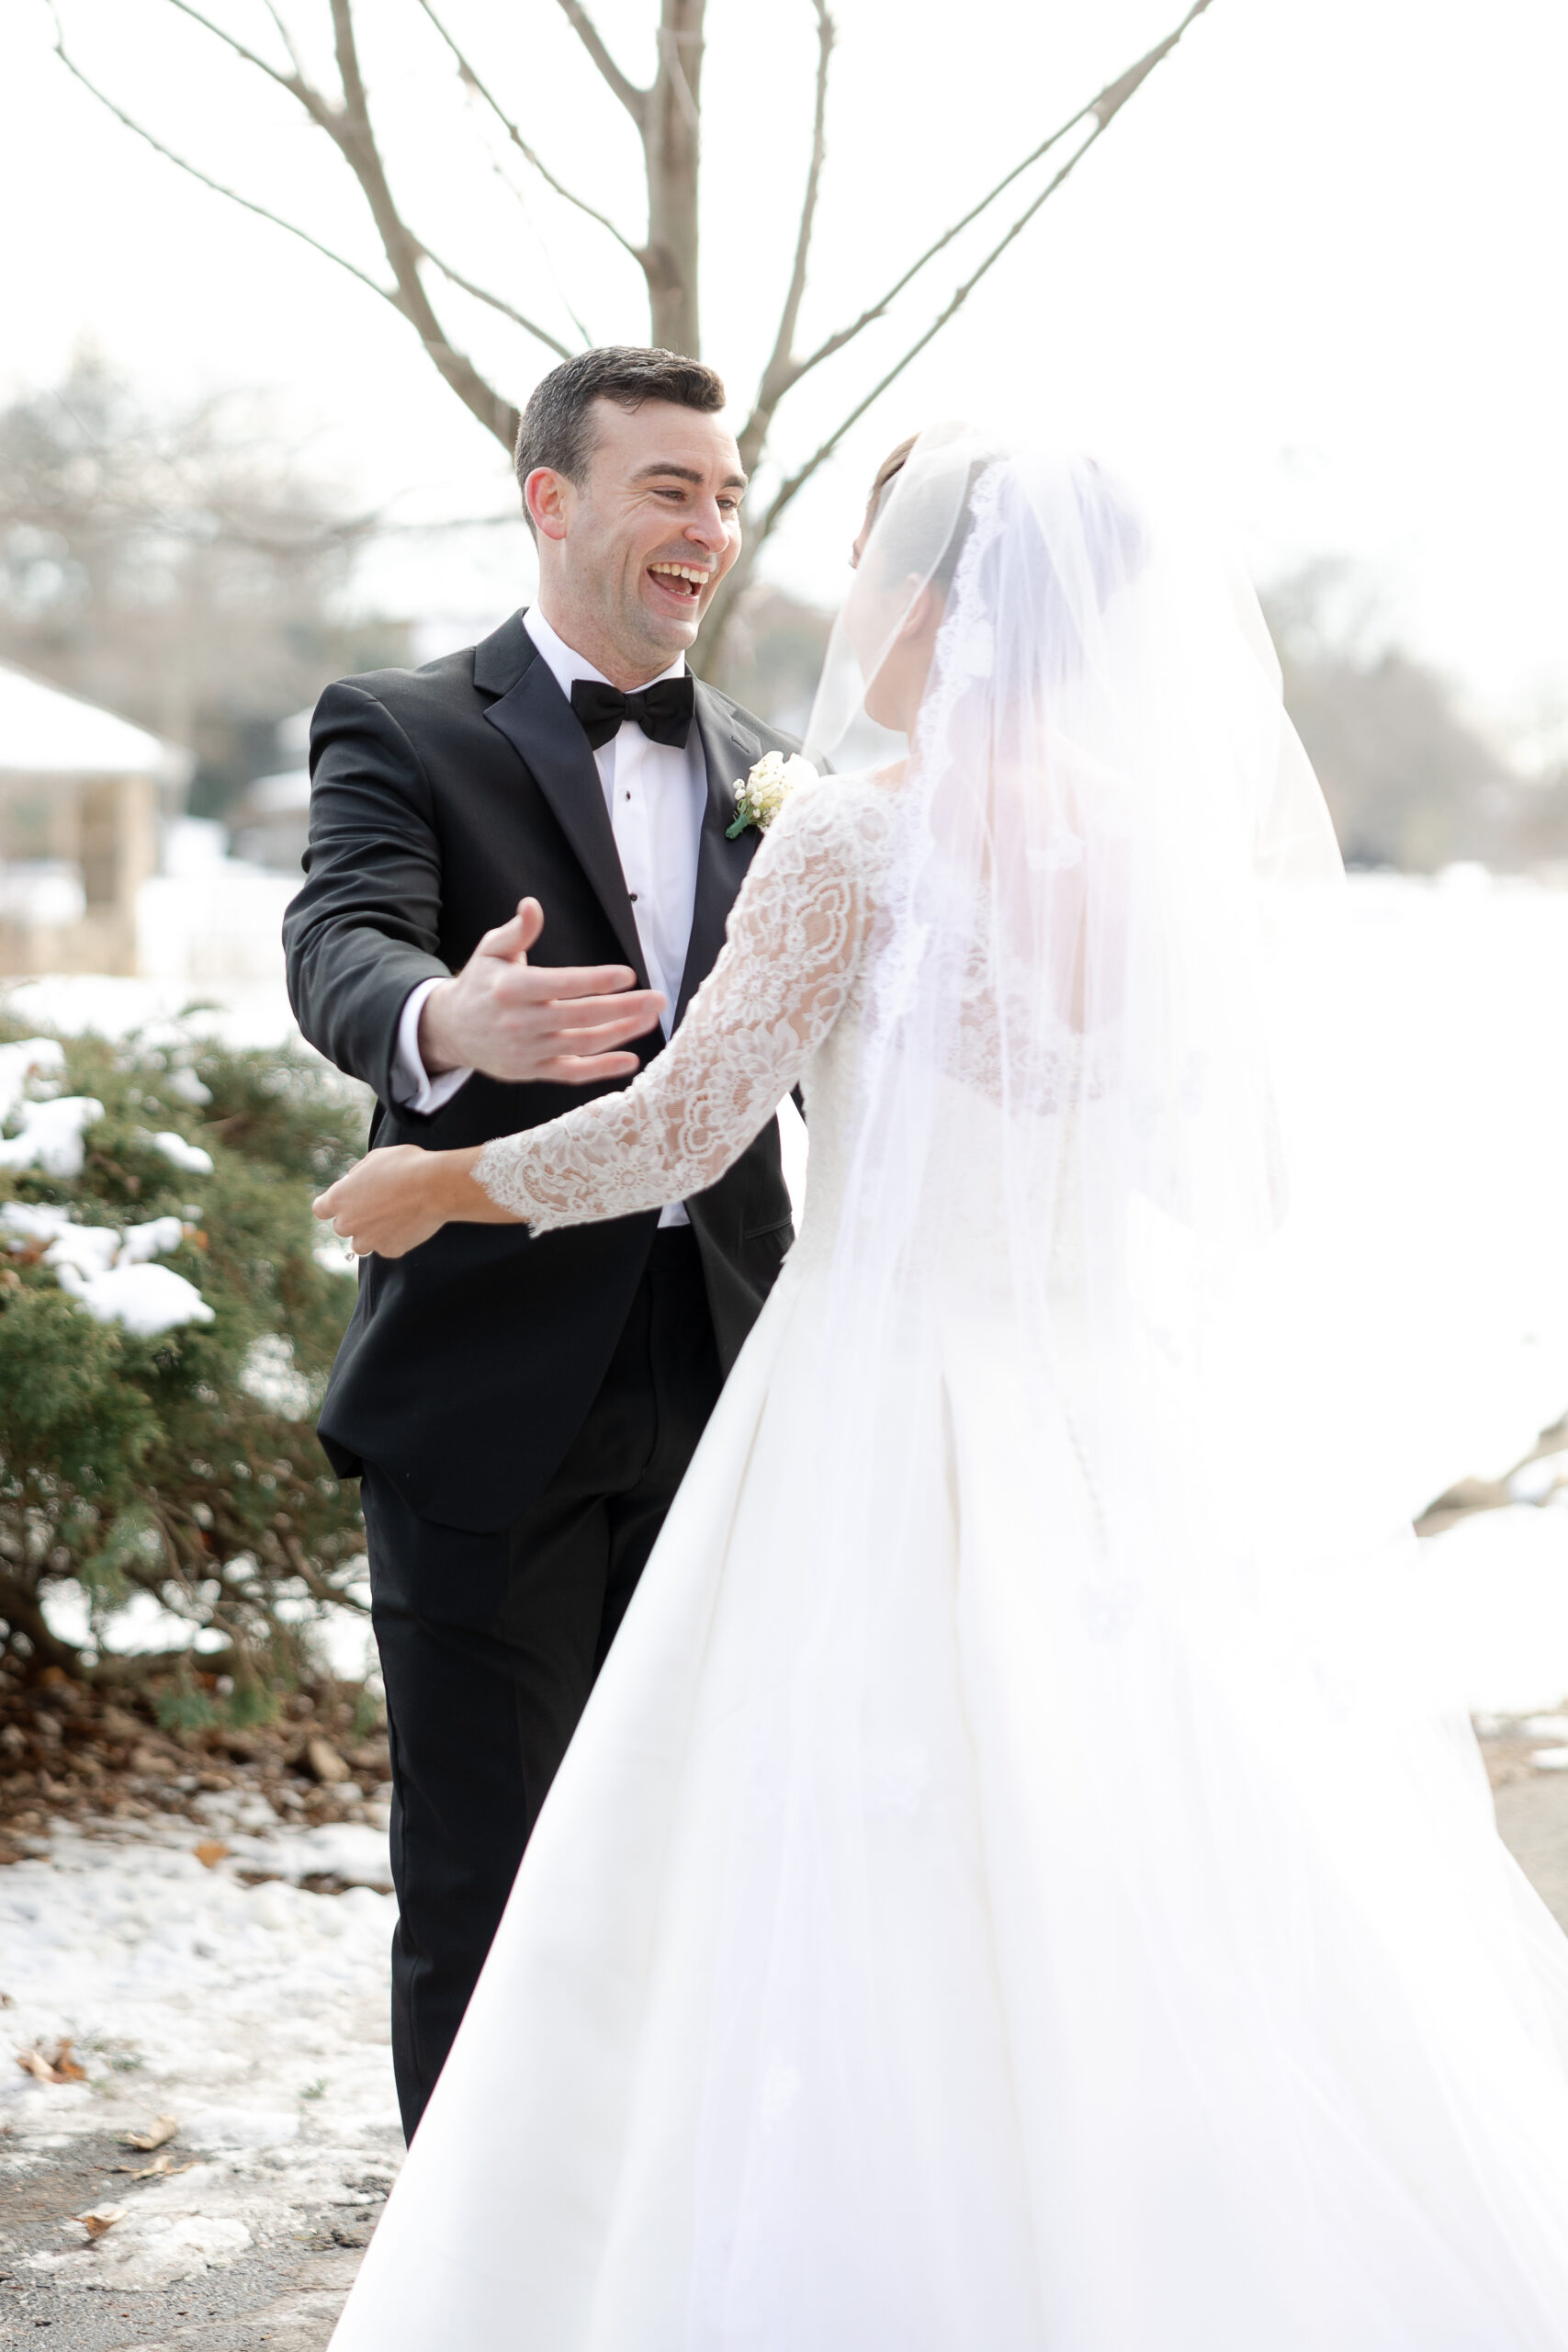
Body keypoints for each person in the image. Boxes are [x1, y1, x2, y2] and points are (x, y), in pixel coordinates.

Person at [317, 427, 1568, 2349]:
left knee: (834, 1851)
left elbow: (678, 1128)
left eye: (879, 556)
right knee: (1122, 1841)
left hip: (876, 1396)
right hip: (1099, 1409)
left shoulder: (851, 828)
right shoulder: (1154, 854)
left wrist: (443, 1179)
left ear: (937, 601)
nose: (844, 590)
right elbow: (1212, 1171)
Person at [283, 346, 802, 2140]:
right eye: (671, 487)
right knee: (488, 1870)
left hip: (739, 1378)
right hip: (489, 1385)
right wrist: (443, 1019)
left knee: (696, 1861)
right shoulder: (403, 721)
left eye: (725, 495)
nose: (708, 528)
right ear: (550, 496)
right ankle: (470, 2269)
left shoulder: (768, 773)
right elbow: (336, 935)